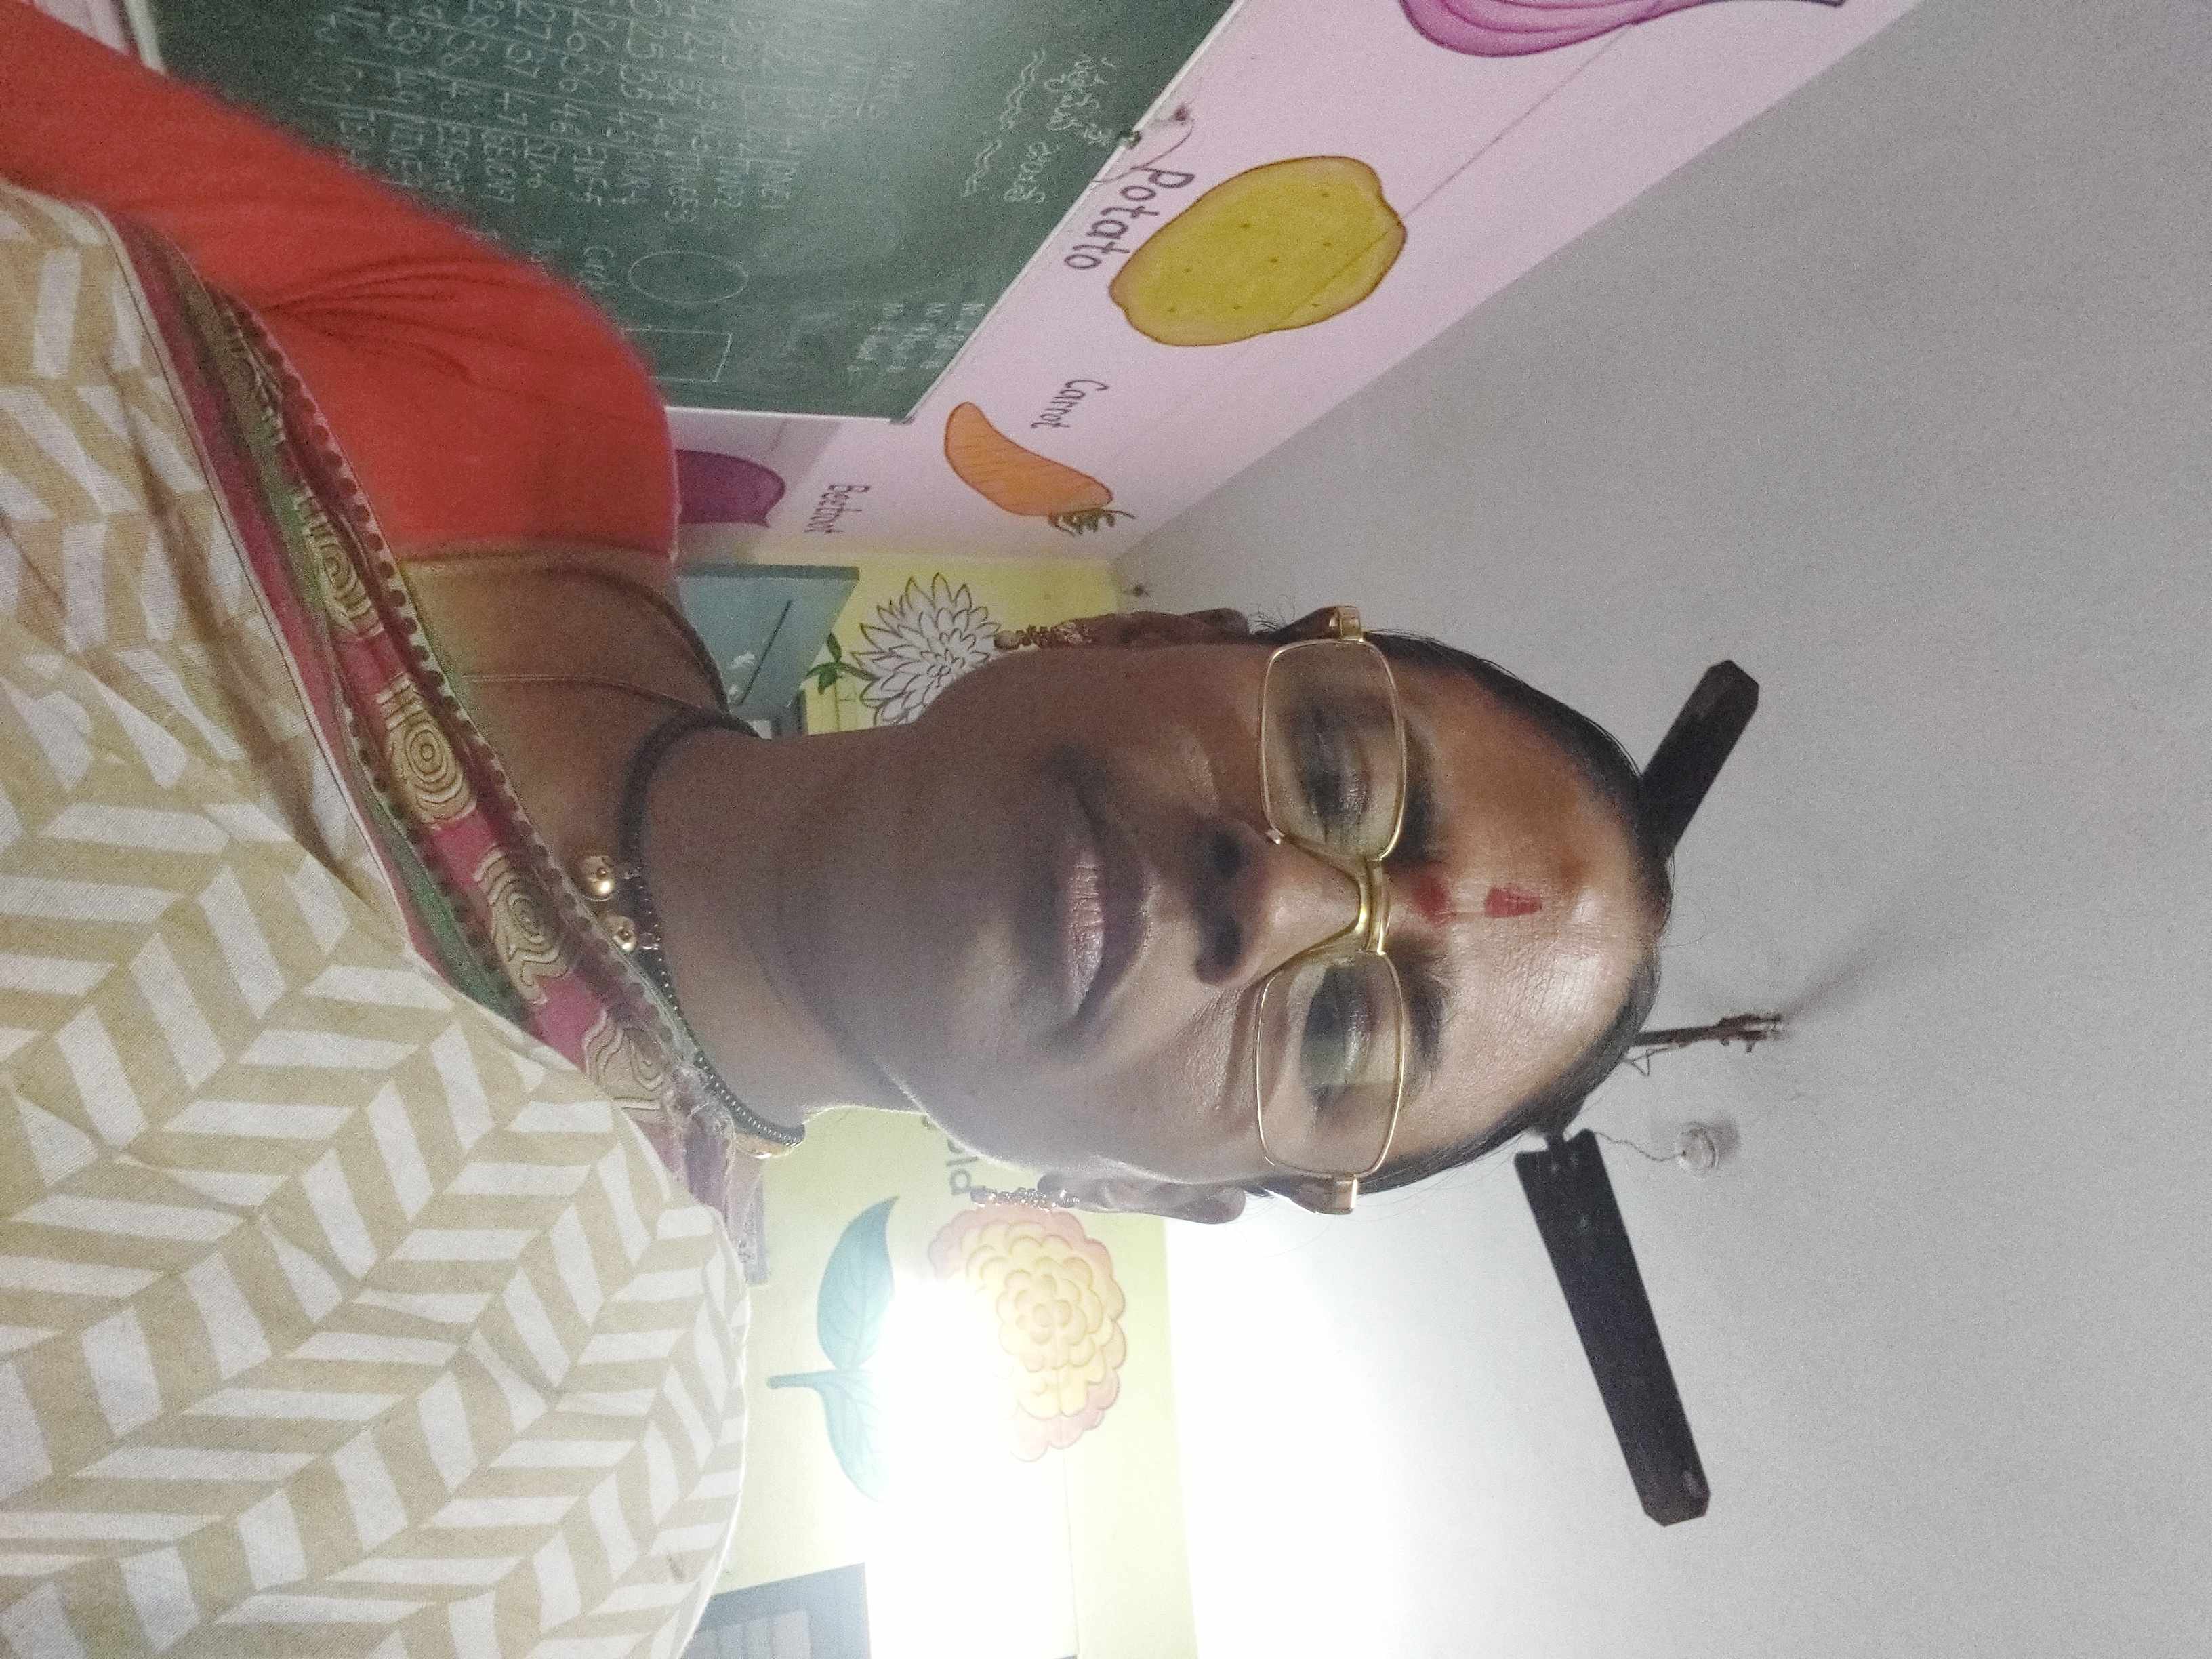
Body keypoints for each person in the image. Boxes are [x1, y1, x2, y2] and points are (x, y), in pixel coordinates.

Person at [0, 3, 1666, 1650]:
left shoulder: (574, 1518)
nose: (1282, 900)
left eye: (1346, 1036)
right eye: (1343, 776)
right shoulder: (518, 404)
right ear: (1133, 637)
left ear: (1148, 1194)